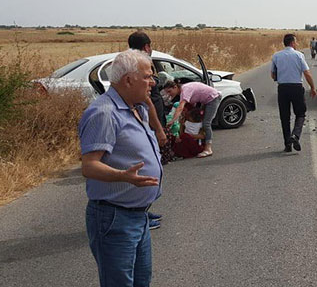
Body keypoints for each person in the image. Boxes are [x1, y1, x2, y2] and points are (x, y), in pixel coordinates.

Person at [78, 49, 162, 287]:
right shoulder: (104, 113)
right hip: (114, 217)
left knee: (140, 282)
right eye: (147, 76)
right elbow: (89, 165)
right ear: (128, 80)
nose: (153, 82)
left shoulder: (137, 107)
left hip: (138, 215)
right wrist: (123, 176)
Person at [127, 31, 166, 230]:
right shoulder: (140, 64)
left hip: (145, 122)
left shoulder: (133, 62)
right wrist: (159, 129)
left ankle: (143, 211)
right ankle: (140, 217)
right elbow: (147, 100)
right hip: (145, 122)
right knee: (145, 168)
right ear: (147, 46)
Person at [270, 33, 317, 152]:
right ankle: (295, 135)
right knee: (300, 114)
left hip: (282, 88)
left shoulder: (276, 56)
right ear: (292, 43)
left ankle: (287, 144)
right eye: (295, 42)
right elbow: (307, 73)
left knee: (284, 117)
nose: (296, 44)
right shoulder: (299, 55)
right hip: (296, 87)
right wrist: (312, 87)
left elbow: (272, 75)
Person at [163, 81, 221, 158]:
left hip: (213, 98)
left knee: (206, 123)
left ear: (175, 87)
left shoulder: (185, 90)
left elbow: (180, 107)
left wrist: (173, 121)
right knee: (199, 122)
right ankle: (201, 144)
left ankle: (208, 148)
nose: (169, 94)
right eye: (167, 92)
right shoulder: (183, 91)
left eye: (170, 91)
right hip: (205, 101)